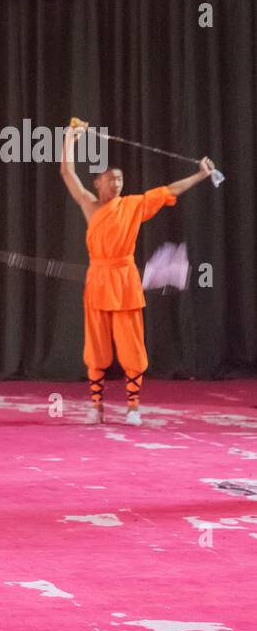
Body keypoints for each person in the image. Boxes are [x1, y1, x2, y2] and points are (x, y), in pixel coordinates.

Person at [60, 119, 215, 425]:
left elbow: (169, 190)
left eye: (119, 179)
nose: (116, 184)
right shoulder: (89, 206)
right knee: (96, 345)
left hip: (125, 278)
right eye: (109, 179)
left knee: (131, 344)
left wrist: (199, 175)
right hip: (98, 281)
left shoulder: (132, 205)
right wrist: (70, 139)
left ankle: (133, 407)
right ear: (97, 184)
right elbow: (67, 171)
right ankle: (97, 406)